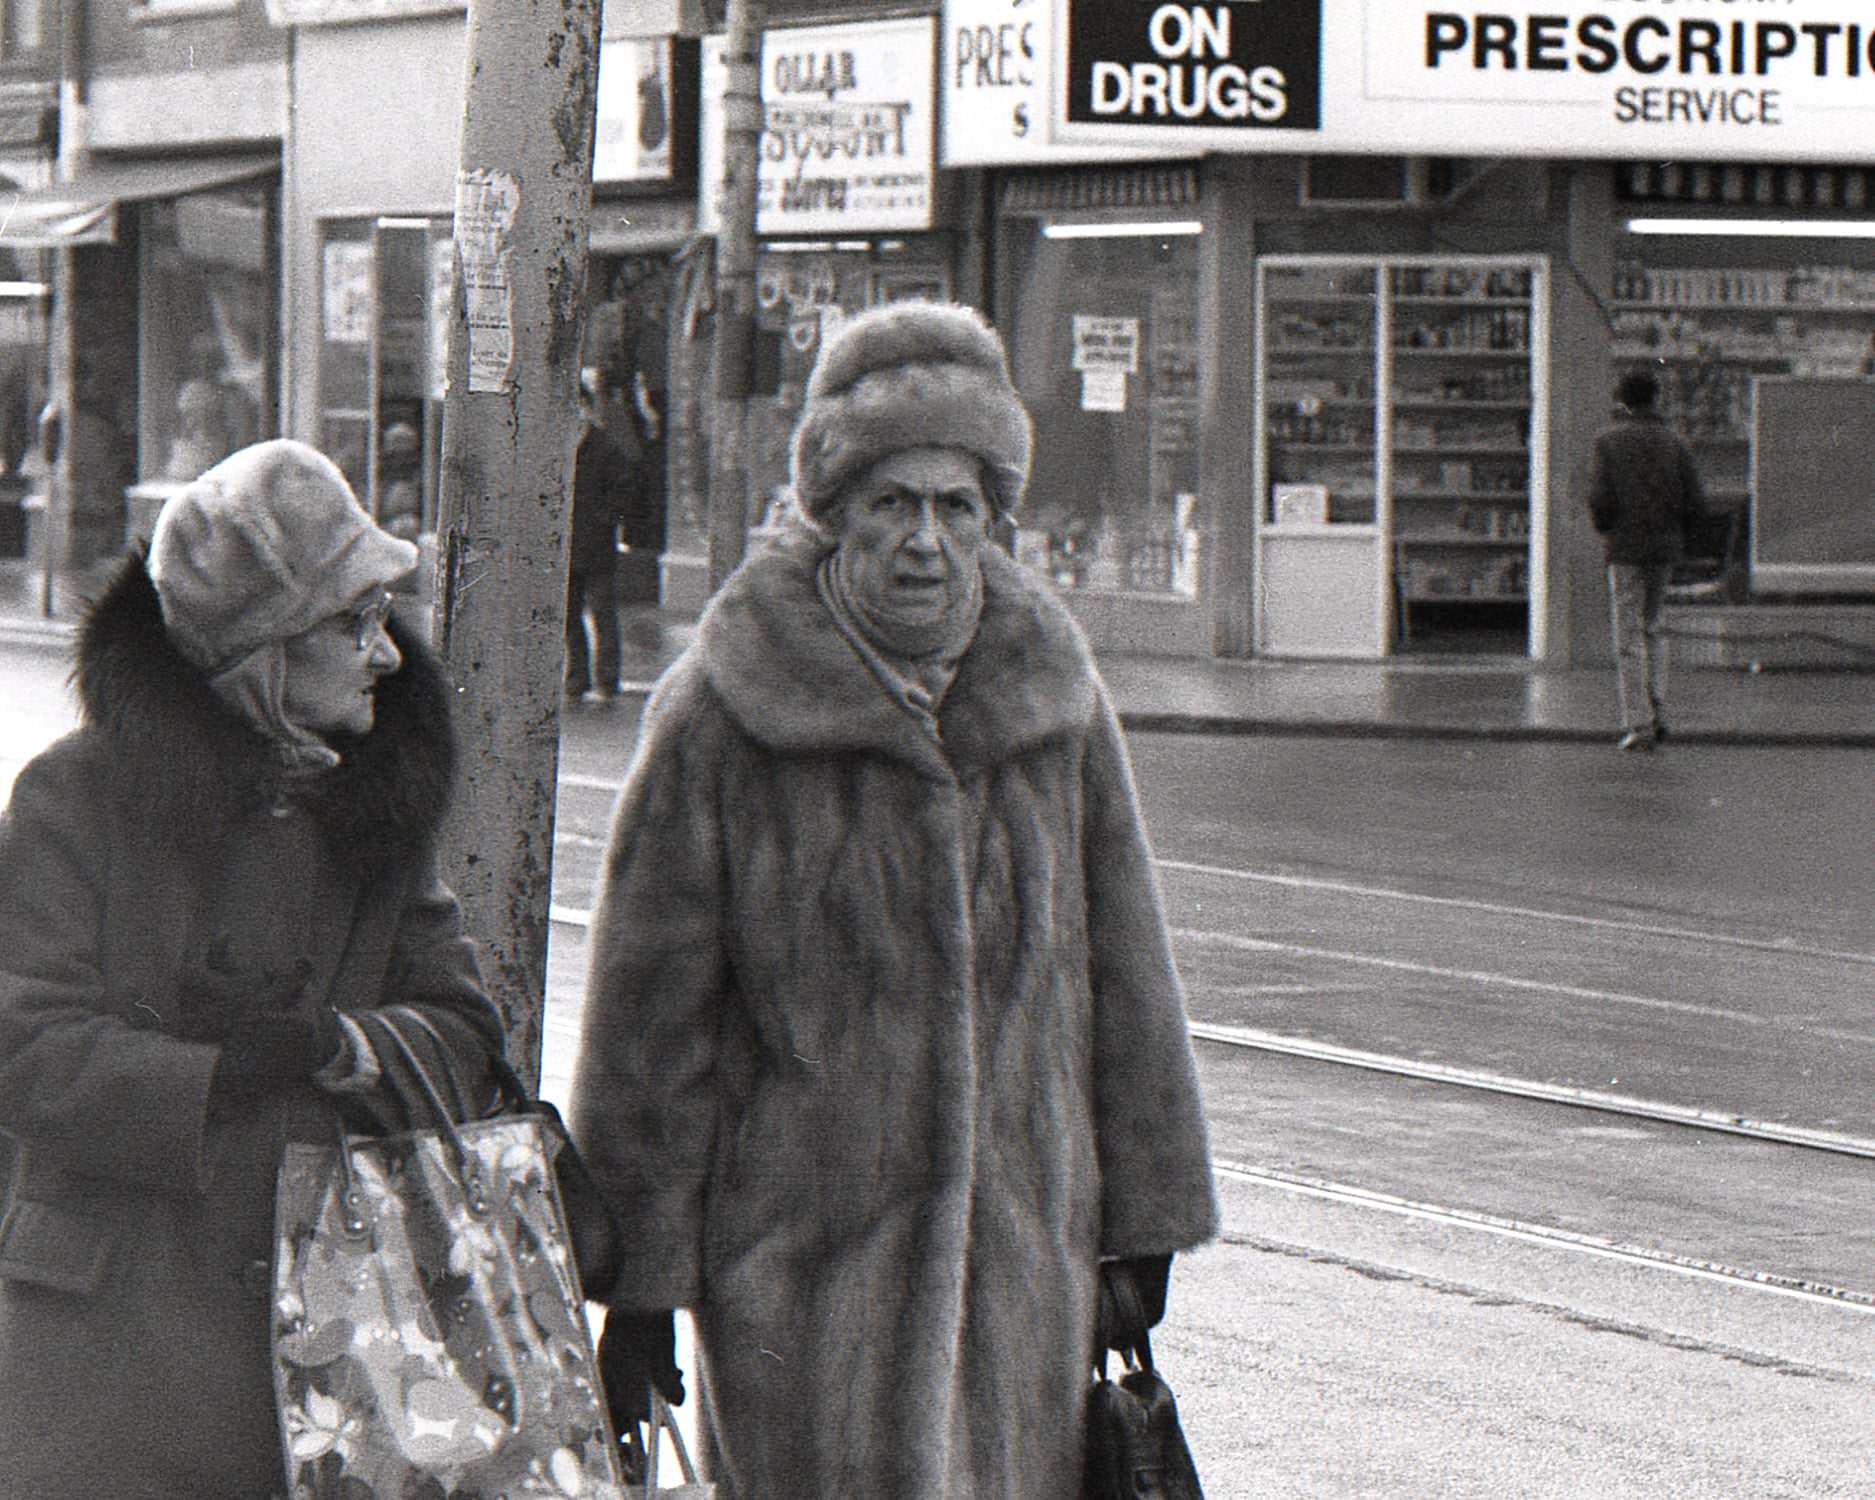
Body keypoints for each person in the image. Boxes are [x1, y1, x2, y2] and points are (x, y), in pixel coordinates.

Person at [568, 302, 1218, 1499]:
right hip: (798, 1294)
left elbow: (1129, 978)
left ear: (991, 519)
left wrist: (1145, 1218)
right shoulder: (728, 707)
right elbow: (647, 1030)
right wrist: (638, 1291)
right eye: (892, 504)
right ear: (834, 514)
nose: (925, 540)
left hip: (1023, 1276)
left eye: (955, 506)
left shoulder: (1051, 699)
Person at [0, 438, 507, 1497]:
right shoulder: (75, 802)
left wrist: (340, 1046)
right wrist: (214, 1078)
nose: (385, 655)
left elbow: (464, 1030)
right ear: (265, 649)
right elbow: (24, 1044)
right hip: (102, 1356)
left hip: (326, 1353)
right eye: (353, 623)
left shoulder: (374, 816)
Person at [1587, 368, 1708, 752]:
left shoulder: (1608, 442)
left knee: (1627, 635)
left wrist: (1609, 527)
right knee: (1654, 626)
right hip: (1664, 546)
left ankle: (1638, 723)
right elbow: (1696, 499)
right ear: (1656, 400)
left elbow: (1599, 498)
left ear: (1622, 402)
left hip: (1624, 546)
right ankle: (1659, 711)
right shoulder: (1674, 442)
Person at [566, 379, 637, 701]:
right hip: (566, 547)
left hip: (596, 546)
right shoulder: (557, 447)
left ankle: (607, 678)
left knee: (602, 614)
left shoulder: (606, 447)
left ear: (588, 408)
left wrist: (605, 518)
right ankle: (577, 677)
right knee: (568, 618)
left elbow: (626, 490)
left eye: (579, 404)